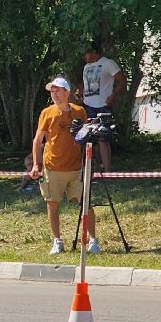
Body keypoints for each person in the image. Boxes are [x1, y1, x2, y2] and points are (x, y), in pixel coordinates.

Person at [30, 76, 99, 255]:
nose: (54, 94)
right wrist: (36, 165)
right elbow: (38, 140)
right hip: (52, 166)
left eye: (58, 90)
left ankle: (93, 240)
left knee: (85, 203)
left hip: (75, 168)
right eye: (52, 91)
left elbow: (86, 137)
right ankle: (57, 241)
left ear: (66, 92)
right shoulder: (46, 113)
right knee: (52, 204)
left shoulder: (79, 111)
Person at [75, 40, 125, 170]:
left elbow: (122, 81)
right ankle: (92, 168)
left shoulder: (108, 63)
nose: (84, 57)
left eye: (85, 54)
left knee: (103, 138)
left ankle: (108, 170)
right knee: (88, 137)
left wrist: (113, 96)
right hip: (87, 105)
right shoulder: (86, 67)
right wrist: (81, 95)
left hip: (103, 105)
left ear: (93, 52)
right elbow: (85, 85)